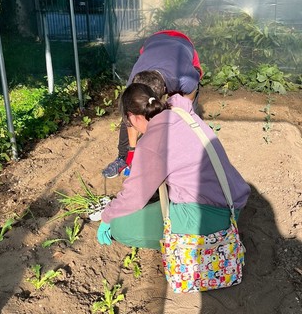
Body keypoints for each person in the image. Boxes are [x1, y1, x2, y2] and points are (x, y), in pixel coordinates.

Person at [97, 83, 251, 249]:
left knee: (120, 226)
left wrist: (107, 217)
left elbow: (135, 196)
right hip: (232, 198)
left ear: (133, 117)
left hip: (207, 215)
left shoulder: (152, 142)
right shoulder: (182, 112)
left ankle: (198, 244)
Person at [102, 30, 203, 179]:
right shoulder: (134, 81)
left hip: (183, 45)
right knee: (131, 110)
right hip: (153, 43)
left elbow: (191, 91)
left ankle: (181, 157)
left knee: (185, 115)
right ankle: (122, 159)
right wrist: (132, 151)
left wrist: (178, 109)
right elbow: (129, 116)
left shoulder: (185, 79)